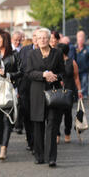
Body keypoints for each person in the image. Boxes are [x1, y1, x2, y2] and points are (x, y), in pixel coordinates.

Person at [26, 28, 65, 167]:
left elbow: (62, 71)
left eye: (45, 37)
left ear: (49, 39)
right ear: (36, 39)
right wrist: (43, 75)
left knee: (52, 125)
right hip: (37, 93)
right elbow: (29, 73)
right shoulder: (32, 54)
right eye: (39, 37)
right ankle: (39, 155)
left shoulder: (57, 53)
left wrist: (55, 76)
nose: (42, 40)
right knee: (38, 125)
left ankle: (51, 157)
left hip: (53, 93)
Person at [0, 29, 22, 161]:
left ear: (5, 41)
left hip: (9, 89)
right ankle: (3, 142)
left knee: (7, 119)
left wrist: (8, 74)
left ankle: (3, 148)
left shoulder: (14, 55)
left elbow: (21, 72)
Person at [56, 43, 83, 144]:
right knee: (57, 115)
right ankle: (57, 134)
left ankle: (67, 133)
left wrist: (79, 90)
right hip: (57, 92)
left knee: (67, 114)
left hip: (69, 92)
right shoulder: (56, 62)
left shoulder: (72, 62)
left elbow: (76, 77)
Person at [17, 29, 39, 152]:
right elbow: (20, 68)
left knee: (38, 116)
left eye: (39, 36)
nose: (37, 38)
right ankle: (30, 142)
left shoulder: (46, 50)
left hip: (39, 87)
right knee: (27, 116)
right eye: (35, 36)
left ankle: (38, 142)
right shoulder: (25, 50)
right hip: (25, 87)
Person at [75, 30, 89, 98]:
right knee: (77, 82)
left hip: (85, 70)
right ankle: (77, 94)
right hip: (76, 69)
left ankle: (85, 94)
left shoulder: (87, 49)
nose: (80, 39)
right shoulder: (74, 48)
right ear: (77, 38)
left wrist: (87, 65)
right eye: (79, 37)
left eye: (82, 38)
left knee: (84, 82)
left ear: (84, 39)